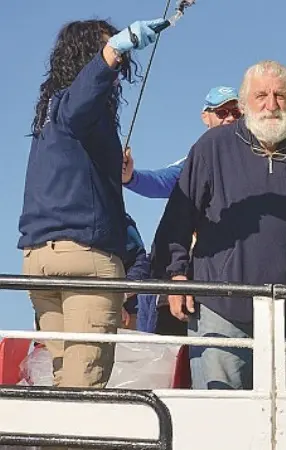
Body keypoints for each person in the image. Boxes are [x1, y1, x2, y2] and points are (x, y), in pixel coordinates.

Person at [151, 60, 286, 390]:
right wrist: (175, 275)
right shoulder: (211, 148)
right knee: (220, 421)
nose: (272, 105)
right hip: (219, 312)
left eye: (280, 95)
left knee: (277, 425)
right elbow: (178, 219)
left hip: (285, 317)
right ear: (244, 104)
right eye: (261, 96)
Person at [18, 17, 164, 389]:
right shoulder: (76, 106)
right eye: (104, 51)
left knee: (64, 379)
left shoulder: (50, 114)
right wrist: (115, 50)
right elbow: (83, 101)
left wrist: (113, 169)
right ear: (87, 59)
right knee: (85, 385)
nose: (118, 68)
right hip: (85, 258)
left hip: (39, 260)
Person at [122, 86, 240, 198]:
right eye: (222, 113)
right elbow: (161, 182)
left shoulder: (256, 155)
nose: (231, 118)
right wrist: (130, 177)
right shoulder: (198, 161)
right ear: (205, 117)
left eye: (236, 113)